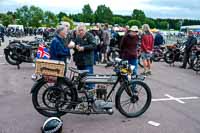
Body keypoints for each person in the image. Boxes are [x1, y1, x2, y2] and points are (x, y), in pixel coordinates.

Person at [72, 24, 96, 89]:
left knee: (89, 76)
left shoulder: (90, 36)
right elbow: (74, 45)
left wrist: (84, 48)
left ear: (85, 30)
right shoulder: (77, 37)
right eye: (79, 30)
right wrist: (75, 47)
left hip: (87, 61)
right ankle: (83, 88)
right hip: (79, 60)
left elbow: (94, 45)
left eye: (82, 30)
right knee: (81, 76)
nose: (80, 32)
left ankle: (91, 89)